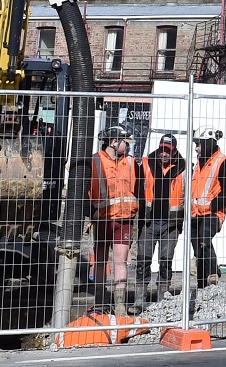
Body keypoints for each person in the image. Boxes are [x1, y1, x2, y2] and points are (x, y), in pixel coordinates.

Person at [88, 125, 142, 315]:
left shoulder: (132, 163)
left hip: (125, 219)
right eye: (125, 143)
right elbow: (85, 191)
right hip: (103, 220)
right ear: (113, 142)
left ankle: (119, 305)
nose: (127, 147)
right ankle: (100, 301)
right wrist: (89, 215)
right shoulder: (95, 161)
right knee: (101, 261)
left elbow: (139, 191)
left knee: (120, 261)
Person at [135, 132, 187, 308]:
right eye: (162, 149)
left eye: (167, 151)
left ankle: (162, 300)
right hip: (148, 222)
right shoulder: (146, 164)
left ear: (174, 152)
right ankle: (139, 300)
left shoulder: (184, 168)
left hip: (171, 224)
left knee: (165, 261)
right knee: (143, 260)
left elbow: (188, 194)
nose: (164, 154)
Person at [189, 126, 226, 290]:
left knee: (204, 239)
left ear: (208, 143)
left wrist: (213, 205)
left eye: (199, 144)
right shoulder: (198, 164)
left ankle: (212, 276)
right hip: (195, 214)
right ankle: (202, 285)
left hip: (213, 214)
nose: (196, 147)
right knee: (199, 252)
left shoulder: (223, 162)